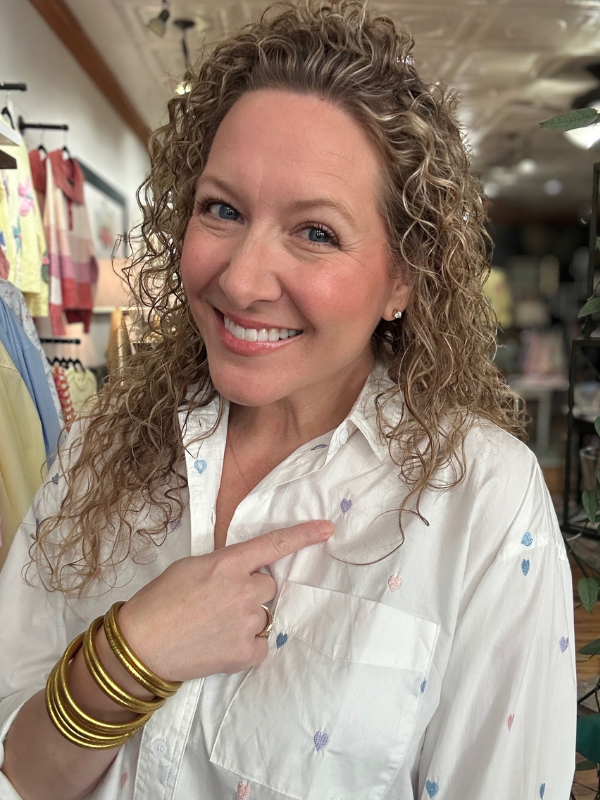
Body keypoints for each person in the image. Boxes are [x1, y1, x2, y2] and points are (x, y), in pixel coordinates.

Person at [0, 1, 576, 798]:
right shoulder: (103, 446)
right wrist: (127, 655)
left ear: (404, 278)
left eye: (316, 233)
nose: (239, 280)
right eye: (222, 210)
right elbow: (19, 775)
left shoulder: (480, 504)